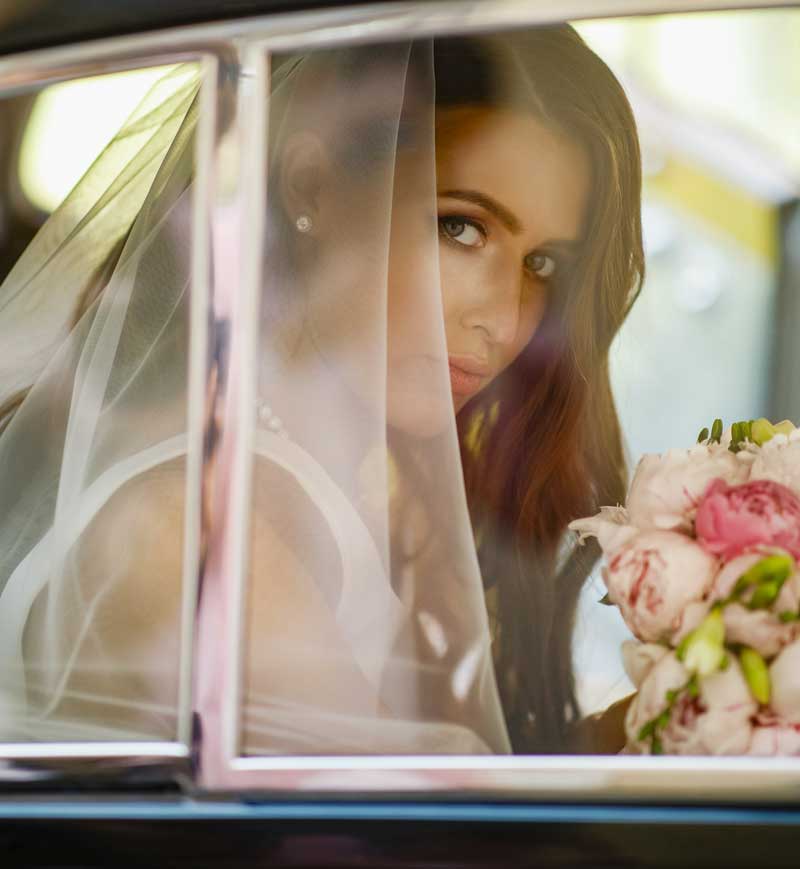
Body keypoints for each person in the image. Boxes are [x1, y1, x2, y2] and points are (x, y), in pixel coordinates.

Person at [0, 25, 642, 758]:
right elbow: (433, 846)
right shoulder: (192, 533)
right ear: (311, 188)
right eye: (460, 227)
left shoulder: (339, 488)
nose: (500, 318)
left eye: (543, 263)